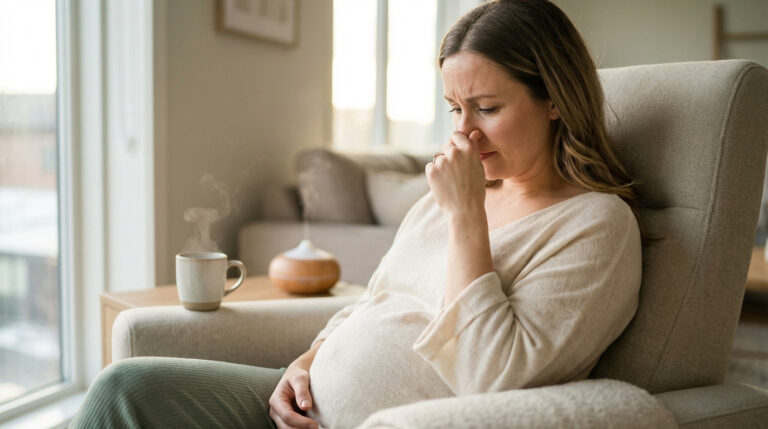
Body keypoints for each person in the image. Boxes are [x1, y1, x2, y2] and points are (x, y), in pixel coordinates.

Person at [71, 0, 641, 428]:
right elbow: (372, 303)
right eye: (454, 108)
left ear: (556, 99)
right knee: (124, 388)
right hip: (302, 405)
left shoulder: (594, 227)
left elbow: (494, 378)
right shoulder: (442, 199)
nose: (463, 132)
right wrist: (303, 364)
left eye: (486, 109)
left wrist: (467, 216)